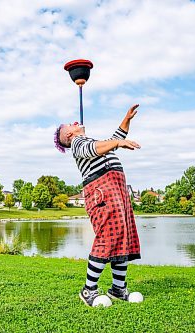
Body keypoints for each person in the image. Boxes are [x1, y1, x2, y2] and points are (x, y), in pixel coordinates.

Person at [54, 104, 142, 307]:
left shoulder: (92, 140)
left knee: (123, 237)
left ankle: (118, 289)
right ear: (69, 134)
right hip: (102, 191)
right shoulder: (78, 142)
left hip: (117, 189)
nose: (75, 123)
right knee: (107, 238)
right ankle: (88, 290)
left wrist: (126, 119)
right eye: (71, 125)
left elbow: (114, 138)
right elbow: (93, 148)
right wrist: (118, 143)